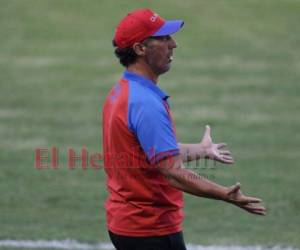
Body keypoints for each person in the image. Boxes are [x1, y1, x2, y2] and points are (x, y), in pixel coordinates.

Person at [102, 8, 266, 250]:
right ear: (140, 49)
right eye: (164, 38)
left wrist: (201, 150)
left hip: (127, 223)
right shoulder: (146, 103)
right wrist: (224, 194)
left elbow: (148, 153)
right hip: (150, 230)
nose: (173, 44)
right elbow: (172, 172)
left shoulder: (123, 91)